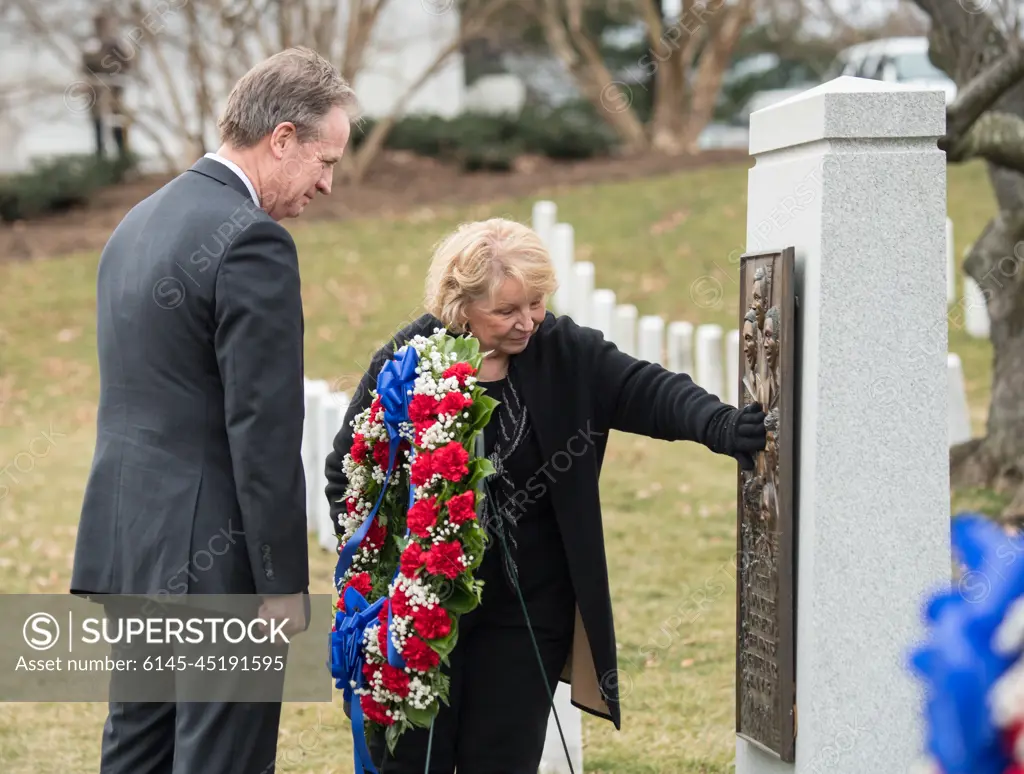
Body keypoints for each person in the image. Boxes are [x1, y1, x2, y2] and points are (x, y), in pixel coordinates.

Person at [324, 218, 767, 773]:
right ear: (460, 304)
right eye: (507, 311)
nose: (528, 321)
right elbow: (349, 468)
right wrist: (379, 567)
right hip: (419, 609)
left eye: (535, 303)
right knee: (412, 761)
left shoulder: (562, 351)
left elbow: (643, 388)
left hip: (528, 610)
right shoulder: (408, 360)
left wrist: (720, 426)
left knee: (503, 758)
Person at [71, 47, 358, 774]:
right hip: (215, 567)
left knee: (137, 754)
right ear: (283, 138)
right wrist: (282, 585)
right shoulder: (252, 239)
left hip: (130, 544)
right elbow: (262, 431)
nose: (328, 184)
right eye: (325, 160)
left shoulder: (135, 223)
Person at [81, 10, 133, 163]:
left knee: (117, 122)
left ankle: (122, 158)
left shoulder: (115, 44)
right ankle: (100, 160)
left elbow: (126, 63)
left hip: (114, 90)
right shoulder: (91, 43)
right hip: (96, 91)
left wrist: (110, 70)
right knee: (98, 125)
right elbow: (86, 64)